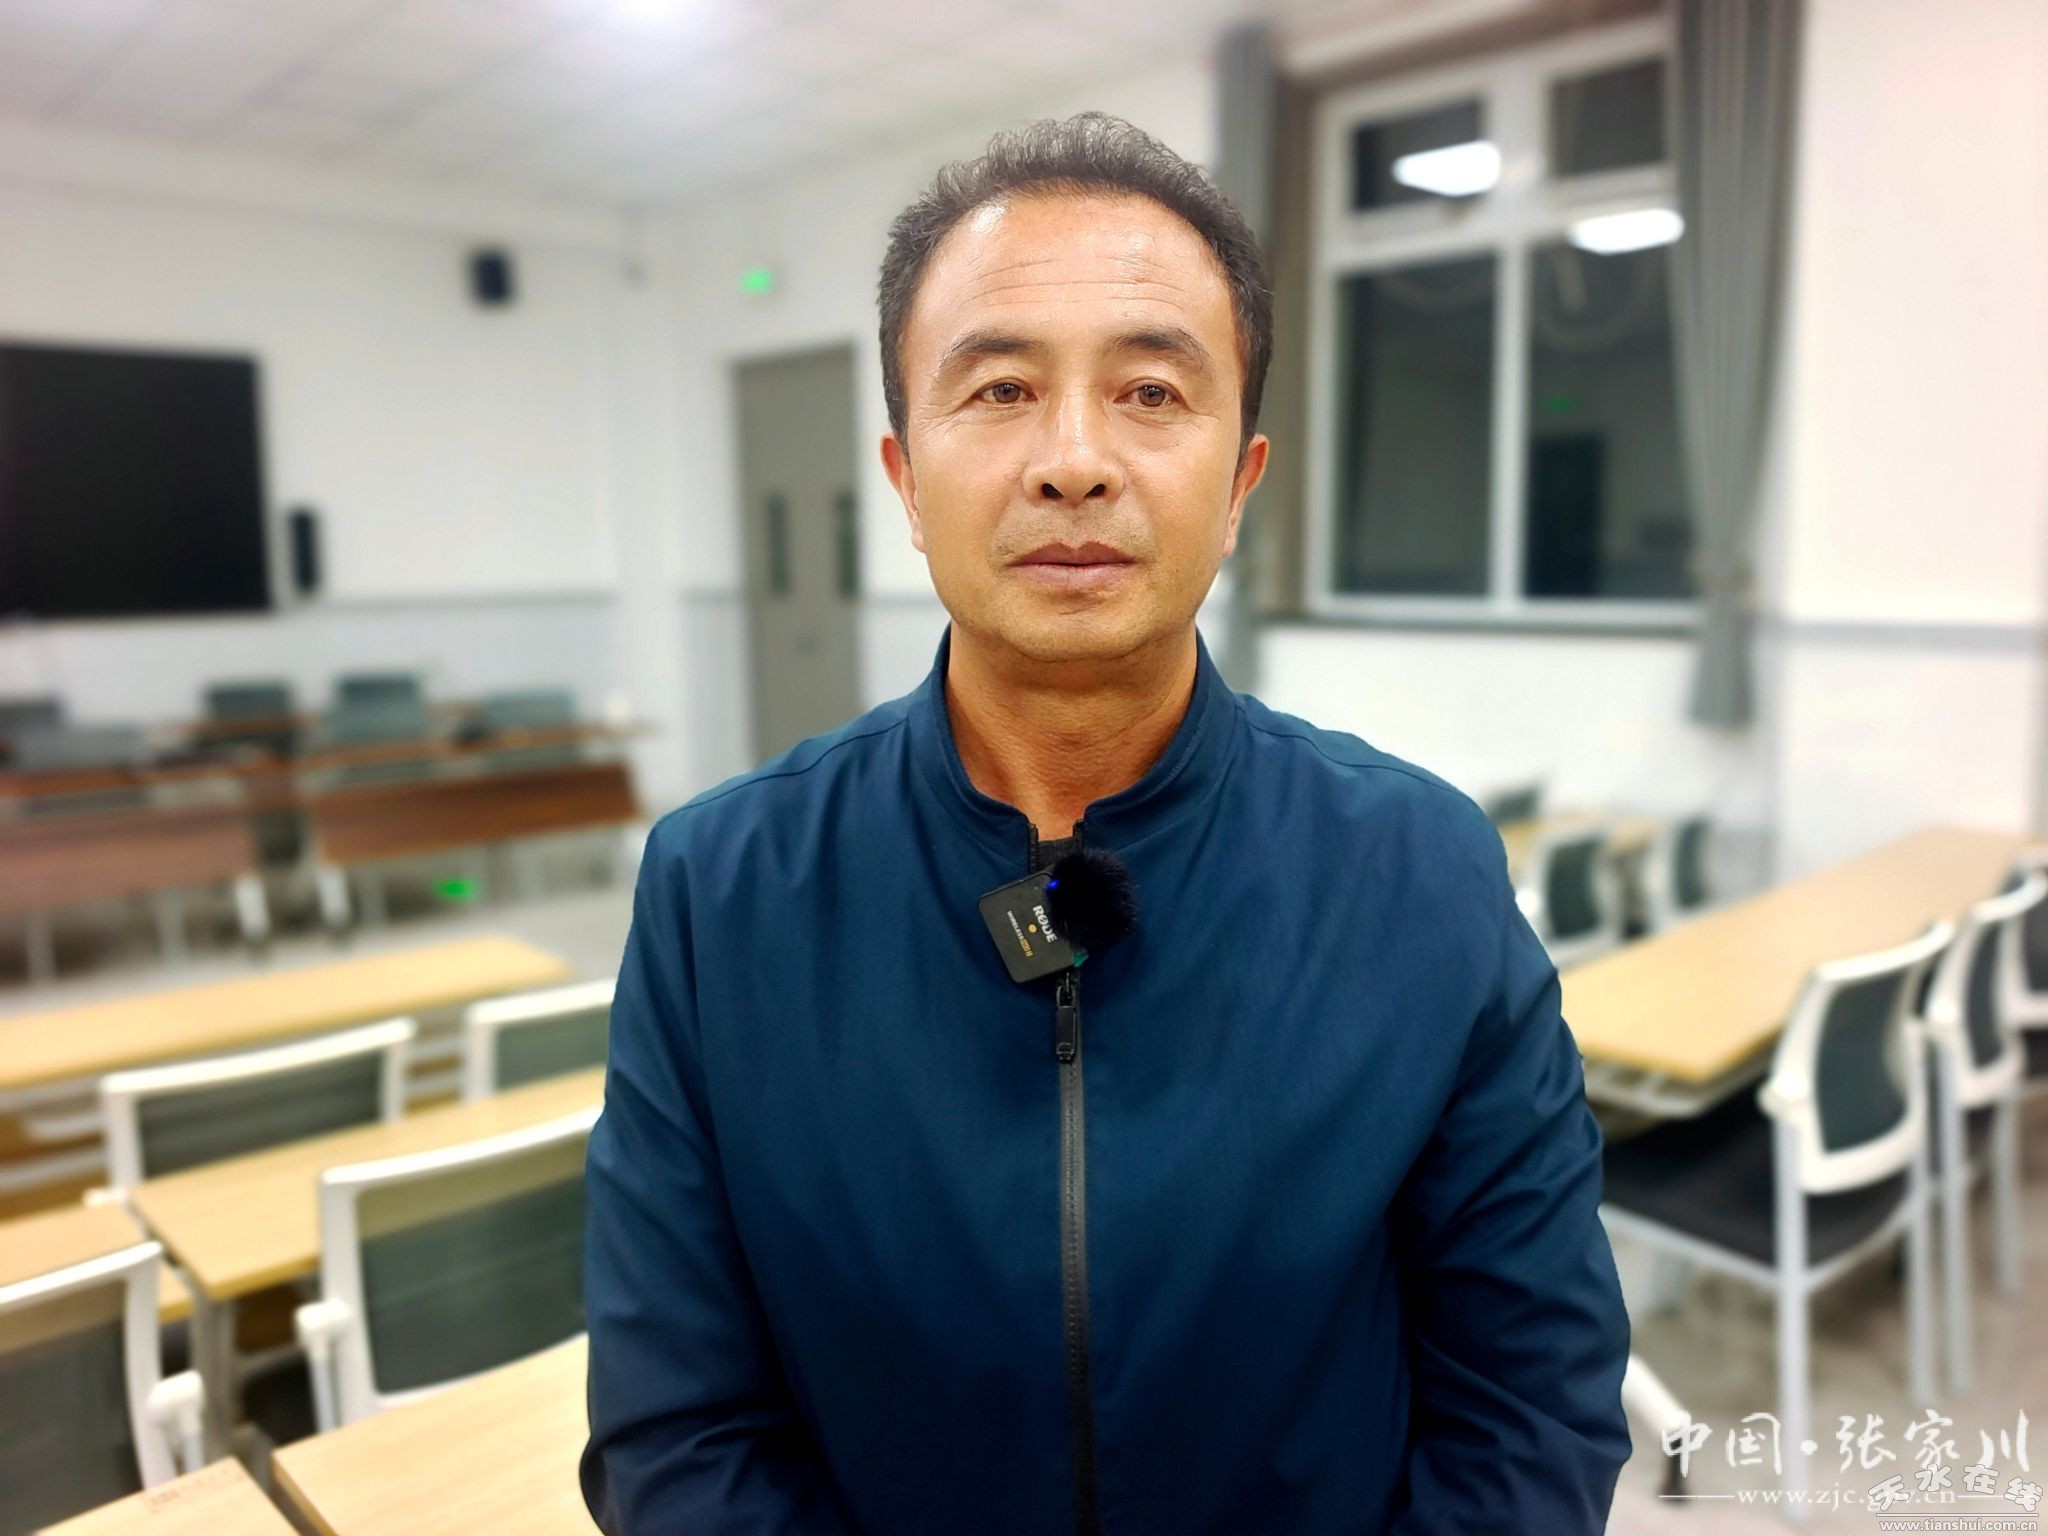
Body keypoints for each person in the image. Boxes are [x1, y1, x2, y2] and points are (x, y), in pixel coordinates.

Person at [580, 110, 1631, 1535]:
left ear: (1241, 483)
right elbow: (680, 1433)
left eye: (1150, 391)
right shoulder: (721, 894)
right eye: (1001, 389)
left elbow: (1532, 1402)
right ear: (905, 479)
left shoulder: (1423, 875)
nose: (1073, 461)